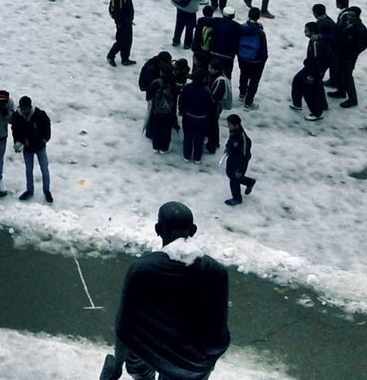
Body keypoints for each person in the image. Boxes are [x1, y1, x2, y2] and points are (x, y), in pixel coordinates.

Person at [103, 202, 230, 380]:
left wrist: (117, 365)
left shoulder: (142, 269)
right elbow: (218, 326)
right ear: (193, 230)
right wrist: (204, 363)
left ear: (158, 229)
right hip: (193, 362)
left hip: (147, 352)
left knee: (138, 366)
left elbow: (124, 325)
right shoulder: (217, 271)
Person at [11, 96, 52, 203]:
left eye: (26, 109)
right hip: (27, 148)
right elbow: (15, 131)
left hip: (40, 147)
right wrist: (17, 142)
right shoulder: (16, 116)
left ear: (30, 107)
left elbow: (47, 125)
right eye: (22, 108)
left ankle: (46, 190)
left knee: (44, 169)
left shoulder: (39, 114)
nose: (24, 111)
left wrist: (45, 138)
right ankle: (29, 190)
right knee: (29, 170)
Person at [224, 116, 255, 206]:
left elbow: (244, 156)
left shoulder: (243, 138)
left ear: (236, 125)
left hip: (240, 161)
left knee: (234, 179)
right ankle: (249, 182)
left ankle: (237, 198)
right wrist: (228, 147)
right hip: (232, 157)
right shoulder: (233, 131)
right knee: (229, 173)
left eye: (229, 124)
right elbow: (231, 141)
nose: (228, 126)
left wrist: (239, 170)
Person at [108, 0, 135, 67]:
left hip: (127, 22)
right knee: (120, 41)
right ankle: (111, 56)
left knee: (128, 41)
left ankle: (125, 59)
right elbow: (118, 12)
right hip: (122, 24)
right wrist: (119, 23)